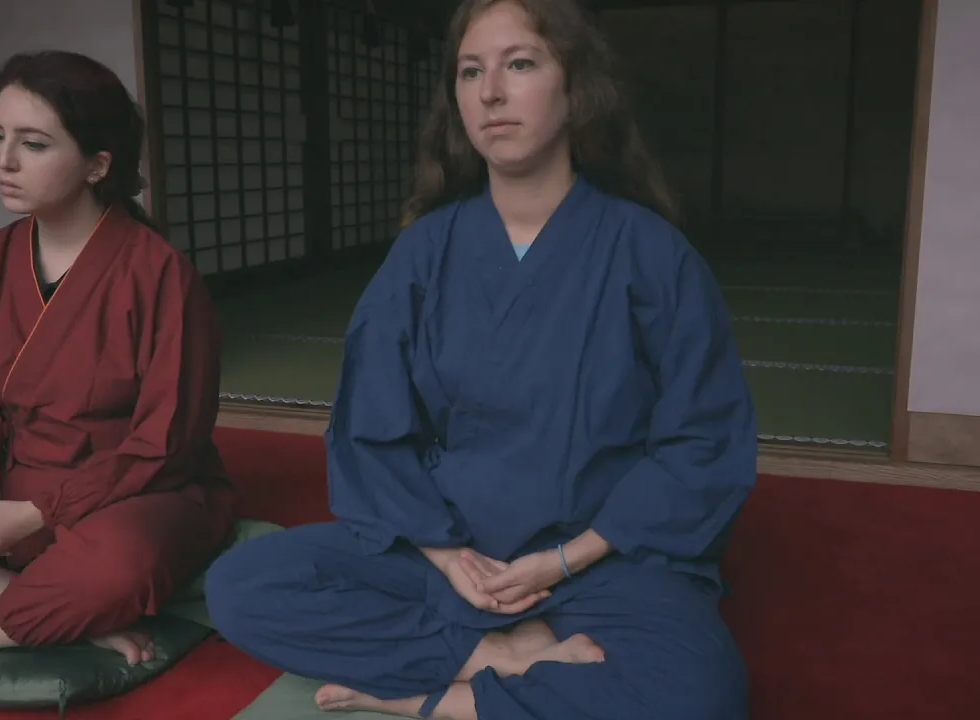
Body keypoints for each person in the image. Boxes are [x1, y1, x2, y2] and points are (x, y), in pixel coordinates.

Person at [206, 0, 757, 718]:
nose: (490, 92)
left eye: (519, 64)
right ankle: (496, 658)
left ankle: (428, 700)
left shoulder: (651, 254)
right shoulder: (423, 253)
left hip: (603, 560)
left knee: (700, 696)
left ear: (576, 90)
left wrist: (567, 558)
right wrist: (444, 556)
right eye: (471, 72)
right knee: (243, 585)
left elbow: (701, 439)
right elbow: (371, 427)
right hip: (452, 559)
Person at [0, 50, 234, 665]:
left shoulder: (158, 274)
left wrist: (34, 514)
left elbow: (167, 442)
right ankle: (12, 602)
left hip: (123, 497)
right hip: (1, 480)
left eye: (34, 144)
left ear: (96, 165)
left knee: (121, 565)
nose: (4, 161)